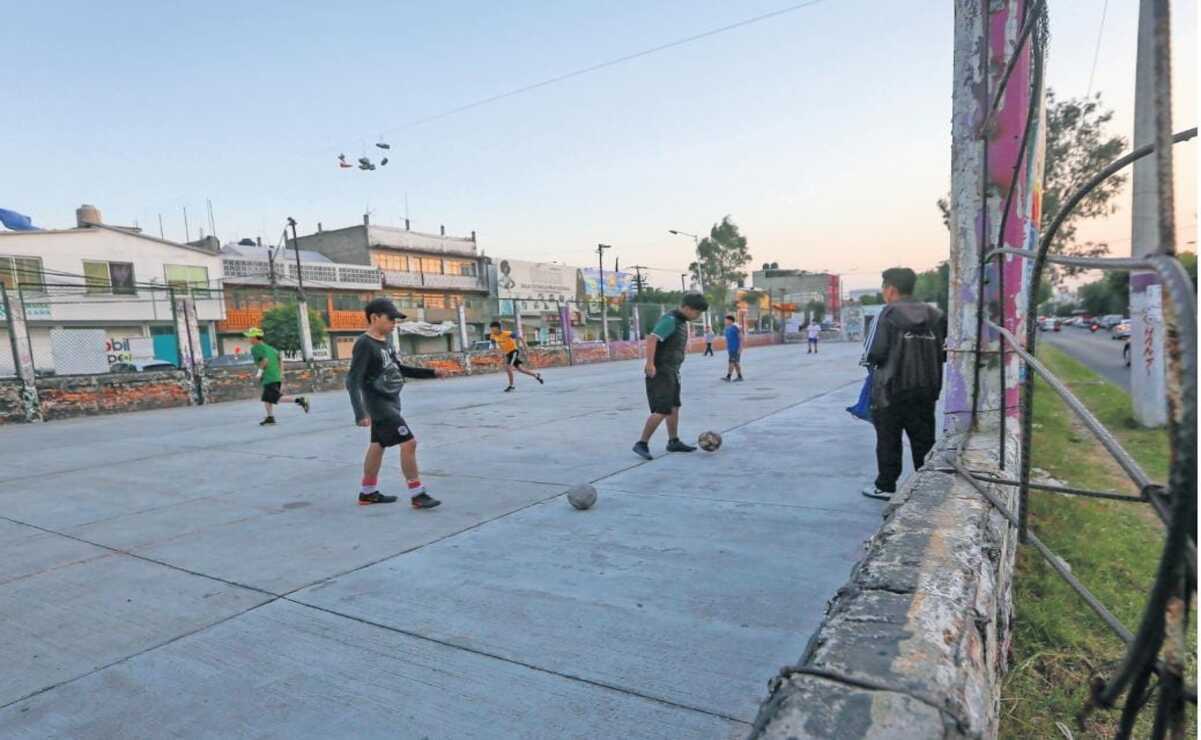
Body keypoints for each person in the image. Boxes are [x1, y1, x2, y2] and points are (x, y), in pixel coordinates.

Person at [346, 298, 447, 508]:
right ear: (374, 318)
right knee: (409, 442)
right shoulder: (365, 344)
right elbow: (353, 380)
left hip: (392, 400)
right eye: (390, 318)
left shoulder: (387, 343)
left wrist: (431, 372)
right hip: (378, 403)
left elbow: (399, 369)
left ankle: (368, 492)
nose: (394, 323)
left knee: (378, 445)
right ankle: (417, 493)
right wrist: (360, 413)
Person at [860, 268, 947, 501]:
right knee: (924, 440)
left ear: (890, 289)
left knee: (888, 440)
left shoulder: (887, 314)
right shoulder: (936, 315)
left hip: (890, 390)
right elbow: (944, 352)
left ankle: (886, 485)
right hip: (926, 389)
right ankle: (927, 485)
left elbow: (872, 353)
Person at [633, 293, 709, 460]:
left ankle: (673, 441)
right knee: (662, 409)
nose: (698, 316)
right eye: (697, 312)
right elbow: (652, 339)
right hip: (661, 371)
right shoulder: (670, 320)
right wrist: (649, 363)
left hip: (672, 370)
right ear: (688, 308)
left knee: (674, 406)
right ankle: (642, 443)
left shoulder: (680, 321)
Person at [244, 327, 309, 426]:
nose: (248, 339)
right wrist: (281, 373)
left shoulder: (255, 348)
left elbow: (265, 360)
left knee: (276, 397)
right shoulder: (270, 348)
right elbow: (280, 359)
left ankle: (300, 400)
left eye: (249, 337)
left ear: (255, 338)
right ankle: (270, 417)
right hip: (275, 376)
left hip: (269, 377)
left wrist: (259, 373)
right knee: (267, 398)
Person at [489, 321, 544, 392]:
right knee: (520, 369)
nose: (492, 331)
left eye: (493, 329)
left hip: (513, 351)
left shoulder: (507, 333)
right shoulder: (493, 335)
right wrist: (496, 351)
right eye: (491, 329)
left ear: (498, 328)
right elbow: (493, 344)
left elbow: (520, 338)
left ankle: (511, 386)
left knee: (508, 367)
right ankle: (536, 375)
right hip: (507, 353)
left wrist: (526, 348)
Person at [722, 315, 743, 382]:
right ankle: (740, 377)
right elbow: (728, 339)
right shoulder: (726, 328)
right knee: (736, 363)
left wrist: (740, 348)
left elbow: (741, 338)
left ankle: (728, 377)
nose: (725, 321)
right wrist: (727, 346)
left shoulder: (735, 327)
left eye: (726, 320)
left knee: (732, 362)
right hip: (730, 349)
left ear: (730, 320)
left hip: (735, 348)